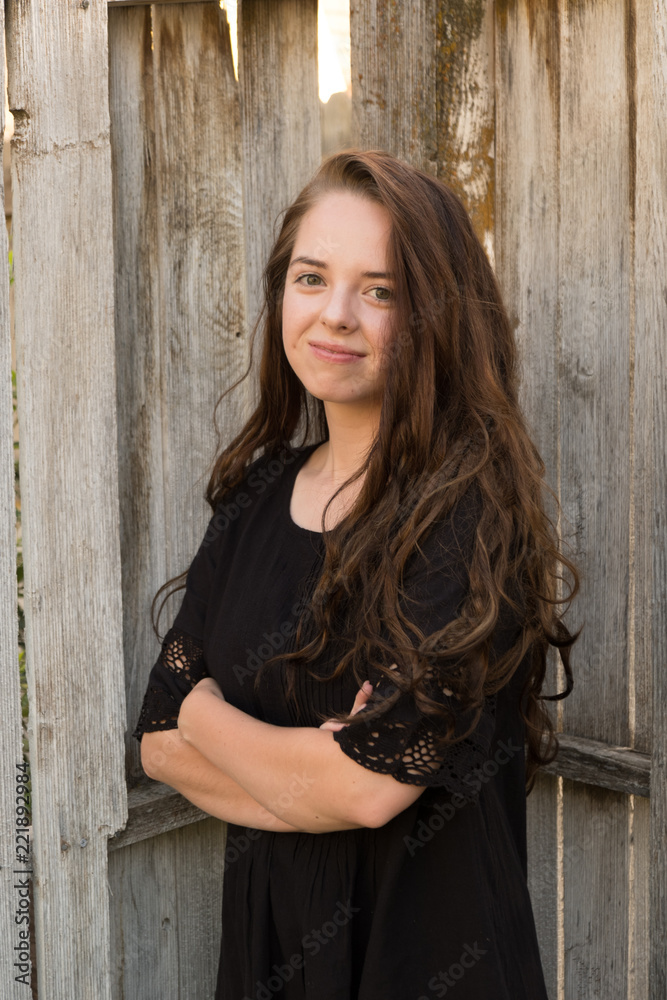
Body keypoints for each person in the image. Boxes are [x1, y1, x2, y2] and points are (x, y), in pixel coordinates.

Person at [132, 149, 580, 1000]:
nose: (334, 315)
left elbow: (367, 792)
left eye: (379, 291)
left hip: (426, 963)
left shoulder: (466, 517)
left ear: (436, 315)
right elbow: (158, 742)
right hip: (272, 959)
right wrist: (306, 766)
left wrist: (207, 714)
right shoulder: (258, 497)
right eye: (311, 278)